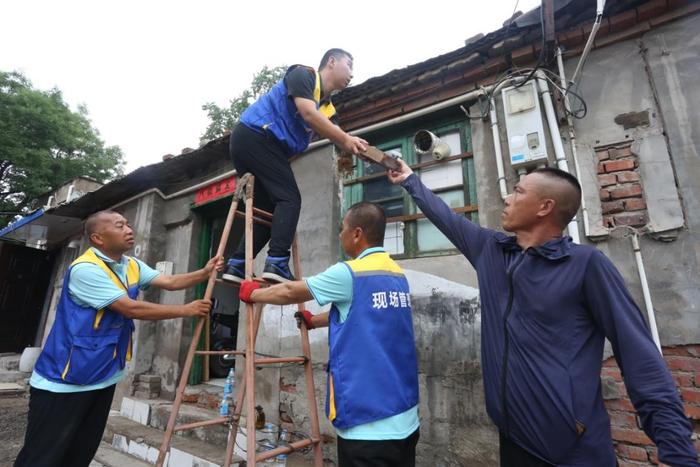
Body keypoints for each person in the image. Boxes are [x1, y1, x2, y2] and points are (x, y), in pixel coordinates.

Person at [386, 161, 698, 467]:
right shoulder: (492, 251)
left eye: (518, 192)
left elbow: (638, 354)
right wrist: (410, 179)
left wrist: (677, 452)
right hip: (513, 441)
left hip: (573, 453)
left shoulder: (586, 265)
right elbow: (446, 219)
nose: (507, 198)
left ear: (545, 207)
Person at [14, 210, 224, 467]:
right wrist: (186, 310)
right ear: (98, 238)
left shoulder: (131, 265)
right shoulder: (85, 269)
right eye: (119, 225)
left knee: (80, 452)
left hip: (102, 375)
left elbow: (169, 281)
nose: (128, 229)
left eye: (127, 223)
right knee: (43, 457)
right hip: (64, 380)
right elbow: (130, 308)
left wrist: (204, 272)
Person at [238, 202, 420, 467]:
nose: (340, 234)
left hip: (367, 425)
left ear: (357, 234)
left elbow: (291, 292)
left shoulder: (348, 272)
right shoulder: (395, 274)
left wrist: (252, 293)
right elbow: (363, 313)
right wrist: (316, 321)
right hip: (405, 418)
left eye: (342, 229)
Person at [222, 48, 368, 284]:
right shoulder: (304, 76)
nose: (352, 73)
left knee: (269, 212)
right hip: (254, 135)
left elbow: (336, 136)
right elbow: (309, 114)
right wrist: (346, 139)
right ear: (331, 62)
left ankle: (237, 264)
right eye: (349, 65)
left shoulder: (329, 110)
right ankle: (277, 261)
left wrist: (364, 152)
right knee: (290, 199)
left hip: (267, 147)